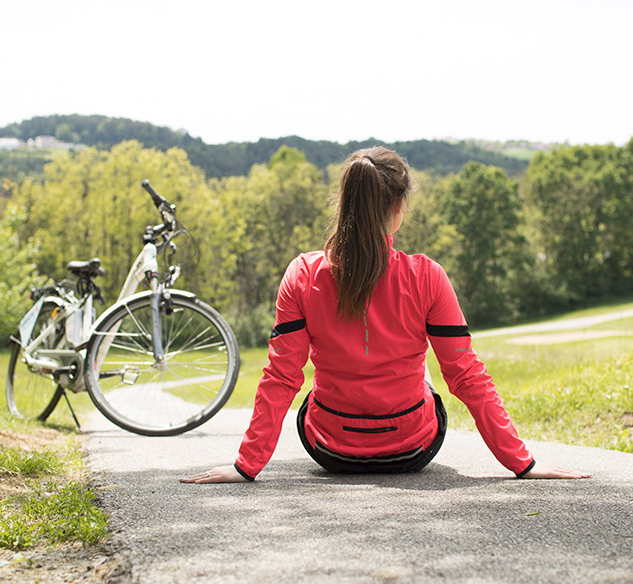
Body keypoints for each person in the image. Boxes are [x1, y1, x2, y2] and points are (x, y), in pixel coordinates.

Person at [181, 147, 589, 484]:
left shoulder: (302, 274)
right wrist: (523, 463)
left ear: (345, 204)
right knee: (426, 370)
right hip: (412, 448)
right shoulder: (427, 276)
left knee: (318, 388)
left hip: (332, 449)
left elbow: (283, 376)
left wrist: (245, 465)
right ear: (397, 207)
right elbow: (465, 373)